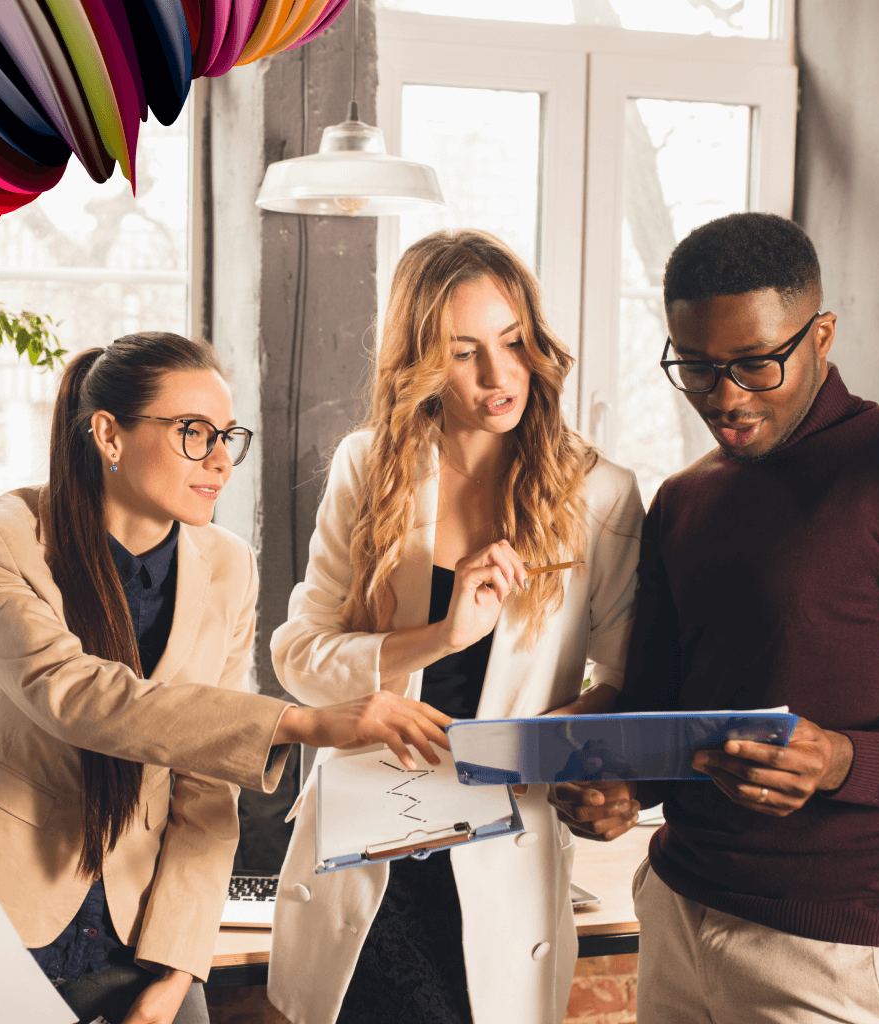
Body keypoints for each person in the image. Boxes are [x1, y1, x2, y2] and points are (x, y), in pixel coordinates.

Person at [550, 212, 879, 1024]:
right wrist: (619, 788)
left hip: (837, 948)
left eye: (757, 364)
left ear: (821, 334)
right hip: (681, 908)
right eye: (695, 367)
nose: (725, 397)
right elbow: (665, 711)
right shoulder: (684, 499)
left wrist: (838, 760)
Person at [0, 332, 451, 1024]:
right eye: (194, 433)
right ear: (109, 436)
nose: (221, 461)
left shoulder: (229, 566)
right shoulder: (7, 535)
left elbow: (205, 790)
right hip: (8, 919)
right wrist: (303, 721)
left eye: (227, 436)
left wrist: (176, 975)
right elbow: (76, 695)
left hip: (144, 935)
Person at [268, 229, 644, 1024]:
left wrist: (538, 745)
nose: (499, 375)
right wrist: (441, 637)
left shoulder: (601, 494)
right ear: (420, 362)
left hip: (501, 853)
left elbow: (622, 679)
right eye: (462, 350)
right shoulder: (368, 468)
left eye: (512, 342)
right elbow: (299, 658)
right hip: (370, 861)